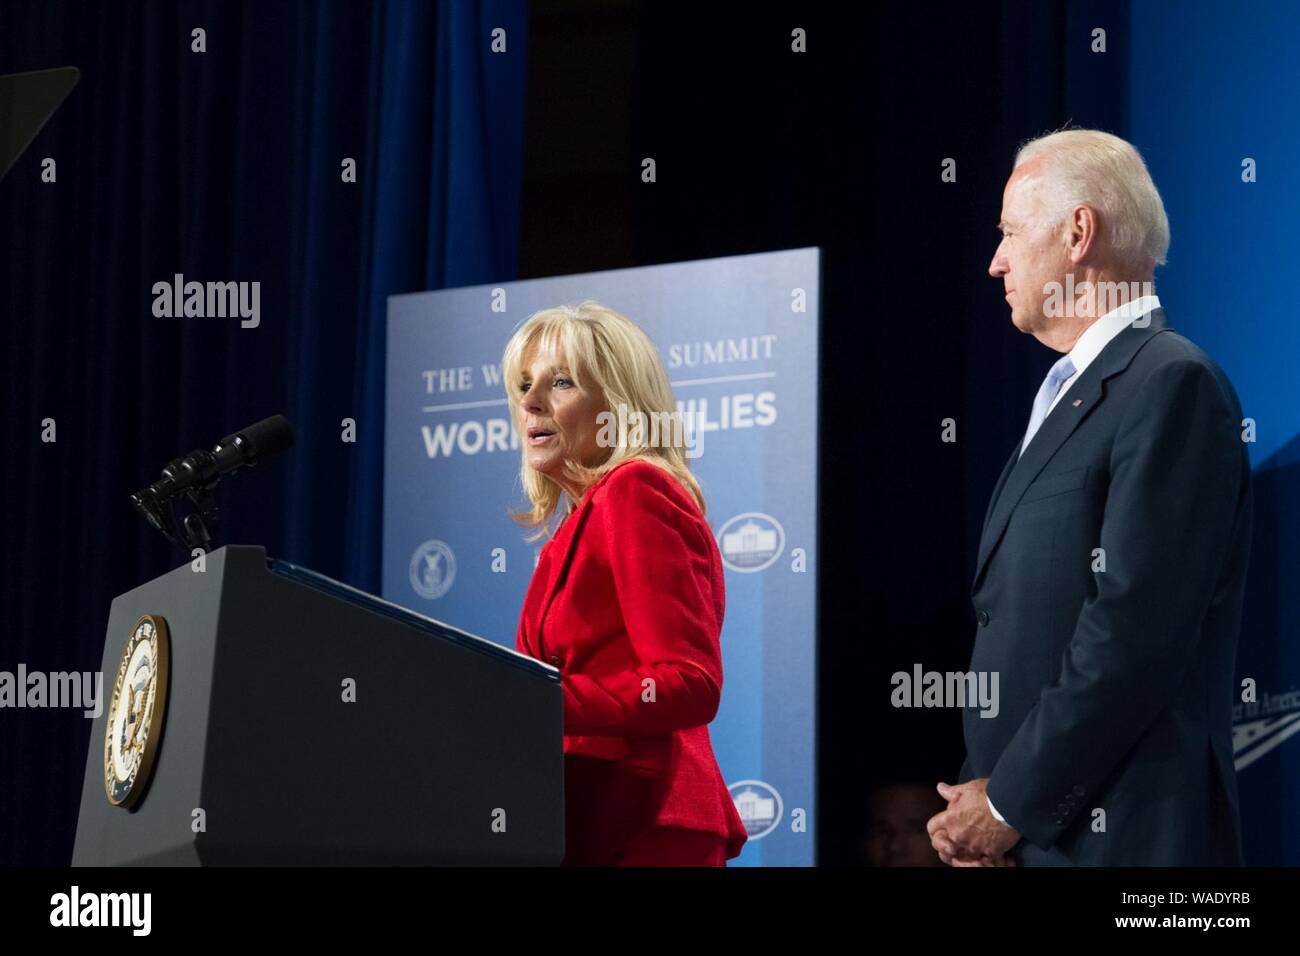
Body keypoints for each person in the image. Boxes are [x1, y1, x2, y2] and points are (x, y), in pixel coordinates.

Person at [928, 129, 1253, 866]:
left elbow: (1134, 633)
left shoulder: (1172, 384)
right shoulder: (1069, 395)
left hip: (1131, 843)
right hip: (1043, 842)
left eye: (1010, 232)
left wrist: (1008, 801)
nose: (996, 260)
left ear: (1078, 232)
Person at [505, 300, 747, 866]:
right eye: (523, 385)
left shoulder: (635, 492)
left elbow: (690, 681)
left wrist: (534, 701)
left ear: (618, 405)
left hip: (644, 819)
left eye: (560, 382)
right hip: (584, 811)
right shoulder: (577, 522)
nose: (531, 401)